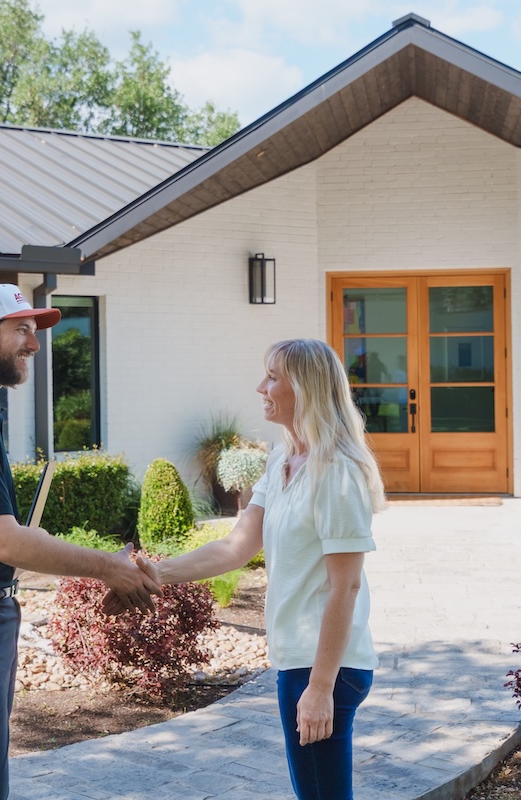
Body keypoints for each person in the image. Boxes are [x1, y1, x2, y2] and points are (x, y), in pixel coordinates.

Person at [0, 283, 160, 800]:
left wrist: (32, 540)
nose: (35, 344)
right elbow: (2, 542)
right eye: (21, 330)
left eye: (34, 331)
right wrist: (110, 567)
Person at [115, 338, 386, 799]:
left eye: (273, 377)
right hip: (298, 661)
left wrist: (320, 687)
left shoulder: (336, 471)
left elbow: (347, 587)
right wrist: (157, 572)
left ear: (306, 388)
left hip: (324, 666)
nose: (261, 387)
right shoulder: (282, 459)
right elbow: (234, 547)